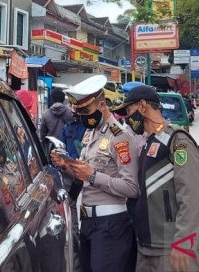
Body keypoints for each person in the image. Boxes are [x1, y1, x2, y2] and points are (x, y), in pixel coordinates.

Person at [51, 75, 139, 272]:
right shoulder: (92, 133)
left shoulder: (120, 137)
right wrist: (67, 165)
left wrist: (92, 175)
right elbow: (86, 176)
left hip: (111, 225)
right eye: (79, 112)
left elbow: (132, 188)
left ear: (101, 106)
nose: (82, 116)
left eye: (86, 111)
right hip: (89, 222)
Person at [115, 85, 199, 272]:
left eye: (129, 111)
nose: (127, 118)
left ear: (142, 106)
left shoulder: (177, 141)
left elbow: (192, 196)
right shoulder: (150, 142)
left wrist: (184, 242)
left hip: (171, 249)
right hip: (147, 248)